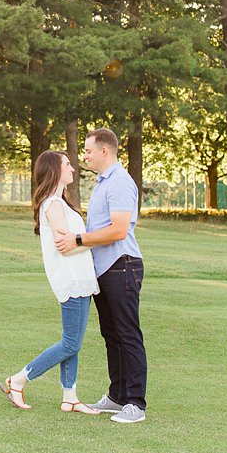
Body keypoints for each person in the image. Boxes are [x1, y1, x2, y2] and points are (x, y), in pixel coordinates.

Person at [54, 127, 147, 423]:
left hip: (123, 266)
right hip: (105, 270)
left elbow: (119, 230)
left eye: (88, 151)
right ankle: (118, 396)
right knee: (112, 335)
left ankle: (135, 402)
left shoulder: (119, 182)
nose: (84, 156)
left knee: (128, 334)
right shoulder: (103, 182)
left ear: (104, 151)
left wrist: (78, 241)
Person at [0, 150, 102, 414]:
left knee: (74, 341)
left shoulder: (60, 202)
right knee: (70, 342)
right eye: (67, 164)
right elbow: (64, 244)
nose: (72, 167)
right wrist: (96, 239)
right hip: (71, 280)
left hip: (81, 280)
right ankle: (18, 380)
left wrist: (88, 240)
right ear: (55, 170)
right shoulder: (53, 205)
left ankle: (70, 397)